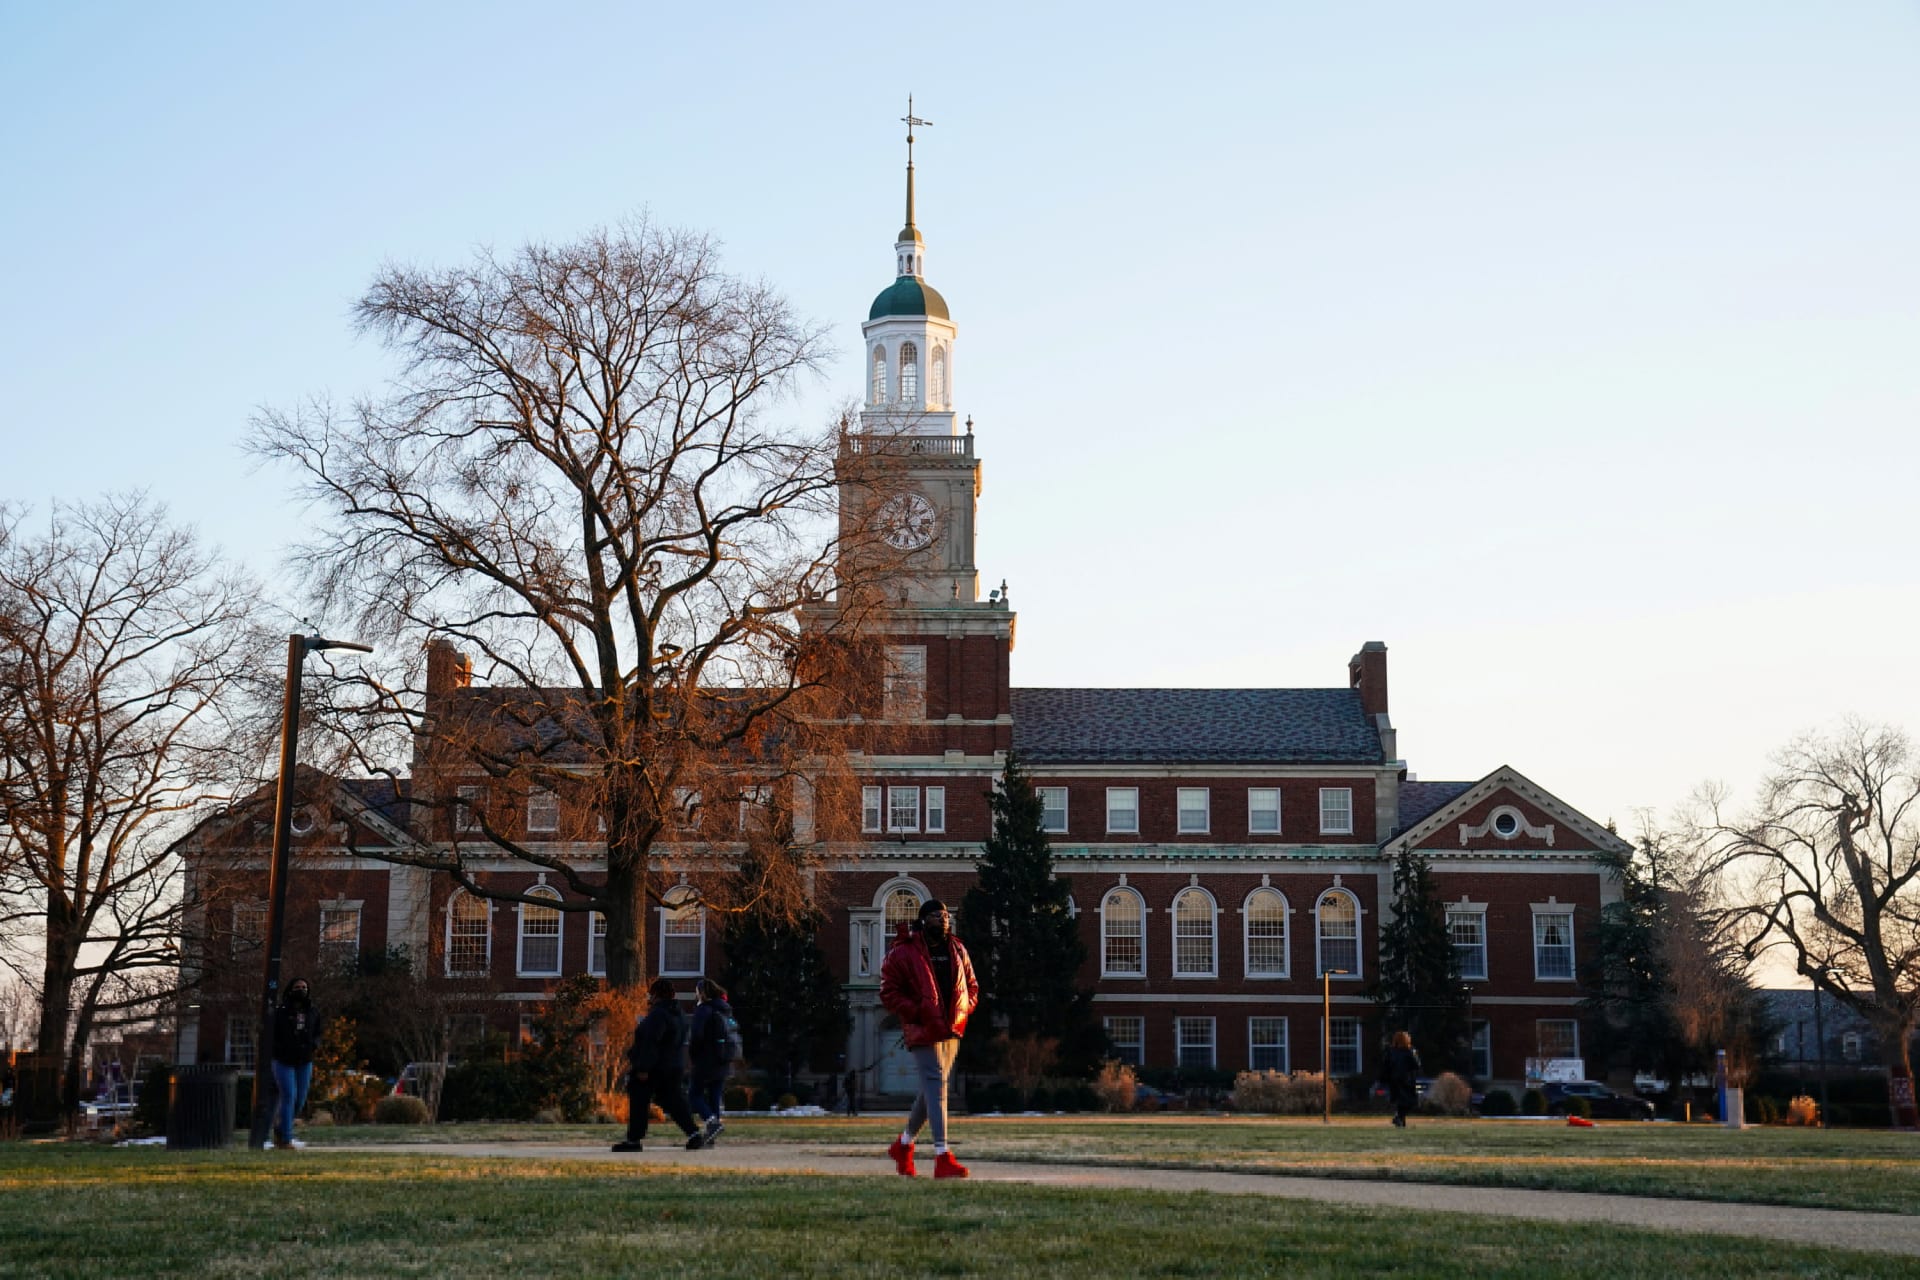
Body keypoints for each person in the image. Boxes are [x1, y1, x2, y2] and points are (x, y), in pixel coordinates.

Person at [878, 898, 978, 1179]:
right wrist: (918, 1012)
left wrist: (963, 1011)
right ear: (923, 920)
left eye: (946, 915)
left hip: (951, 1028)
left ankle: (904, 1145)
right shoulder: (903, 952)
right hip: (923, 1029)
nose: (943, 920)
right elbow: (888, 992)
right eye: (936, 915)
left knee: (934, 1089)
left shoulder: (958, 949)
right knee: (936, 1085)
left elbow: (972, 986)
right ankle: (942, 1156)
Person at [612, 977, 703, 1153]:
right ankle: (693, 1133)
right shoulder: (679, 1014)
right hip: (673, 1065)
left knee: (639, 1101)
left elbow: (650, 1042)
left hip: (654, 1067)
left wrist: (643, 1067)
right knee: (675, 1101)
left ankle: (634, 1139)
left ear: (655, 995)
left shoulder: (658, 1015)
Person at [270, 977, 320, 1149]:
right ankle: (286, 1138)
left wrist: (314, 1045)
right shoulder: (280, 1011)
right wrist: (279, 1048)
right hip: (283, 1060)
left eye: (304, 987)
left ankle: (280, 1127)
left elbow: (318, 1032)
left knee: (299, 1100)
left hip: (304, 1060)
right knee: (289, 1096)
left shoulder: (312, 1011)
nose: (301, 990)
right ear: (290, 990)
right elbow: (271, 1034)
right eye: (298, 987)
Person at [686, 978, 735, 1147]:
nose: (696, 994)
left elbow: (696, 1036)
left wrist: (693, 1056)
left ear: (702, 992)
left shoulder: (703, 1010)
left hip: (705, 1060)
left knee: (694, 1095)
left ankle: (712, 1123)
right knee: (715, 1095)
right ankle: (711, 1136)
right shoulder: (724, 1009)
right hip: (723, 1059)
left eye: (697, 991)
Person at [1380, 1029, 1422, 1128]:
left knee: (1400, 1102)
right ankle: (1398, 1118)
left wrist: (1384, 1078)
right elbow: (1417, 1065)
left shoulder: (1390, 1051)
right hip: (1406, 1080)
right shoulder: (1409, 1051)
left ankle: (1401, 1123)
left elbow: (1385, 1065)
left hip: (1393, 1080)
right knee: (1411, 1102)